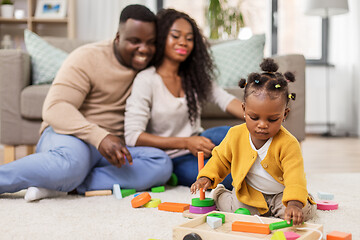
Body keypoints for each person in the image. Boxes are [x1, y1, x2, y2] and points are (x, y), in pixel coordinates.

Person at [0, 4, 172, 201]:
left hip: (113, 150)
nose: (144, 49)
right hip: (71, 137)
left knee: (161, 163)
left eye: (151, 42)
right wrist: (99, 136)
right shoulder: (87, 57)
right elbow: (54, 108)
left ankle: (63, 185)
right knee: (71, 164)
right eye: (135, 41)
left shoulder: (153, 64)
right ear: (118, 37)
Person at [124, 8, 244, 189]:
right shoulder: (146, 80)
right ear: (162, 37)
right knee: (227, 179)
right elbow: (133, 136)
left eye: (189, 38)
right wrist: (186, 143)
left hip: (200, 140)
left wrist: (259, 118)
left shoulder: (194, 76)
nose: (183, 43)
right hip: (173, 157)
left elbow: (225, 100)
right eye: (176, 36)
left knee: (234, 134)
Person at [190, 58, 316, 225]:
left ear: (284, 115)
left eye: (272, 119)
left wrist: (294, 203)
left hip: (281, 195)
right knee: (237, 209)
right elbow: (220, 160)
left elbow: (295, 176)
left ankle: (302, 200)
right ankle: (221, 193)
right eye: (254, 117)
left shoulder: (289, 144)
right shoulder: (235, 135)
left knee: (302, 213)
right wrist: (206, 177)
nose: (262, 125)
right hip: (250, 194)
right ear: (244, 110)